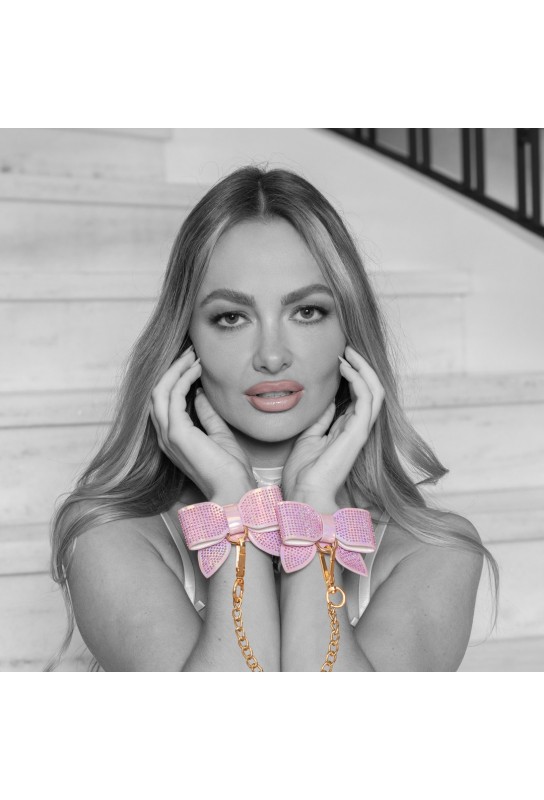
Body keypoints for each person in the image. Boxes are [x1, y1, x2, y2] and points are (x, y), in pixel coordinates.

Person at [44, 164, 498, 672]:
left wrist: (312, 508)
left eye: (307, 312)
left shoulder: (436, 549)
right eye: (231, 317)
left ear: (351, 330)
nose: (273, 356)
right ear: (185, 341)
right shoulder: (109, 537)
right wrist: (235, 506)